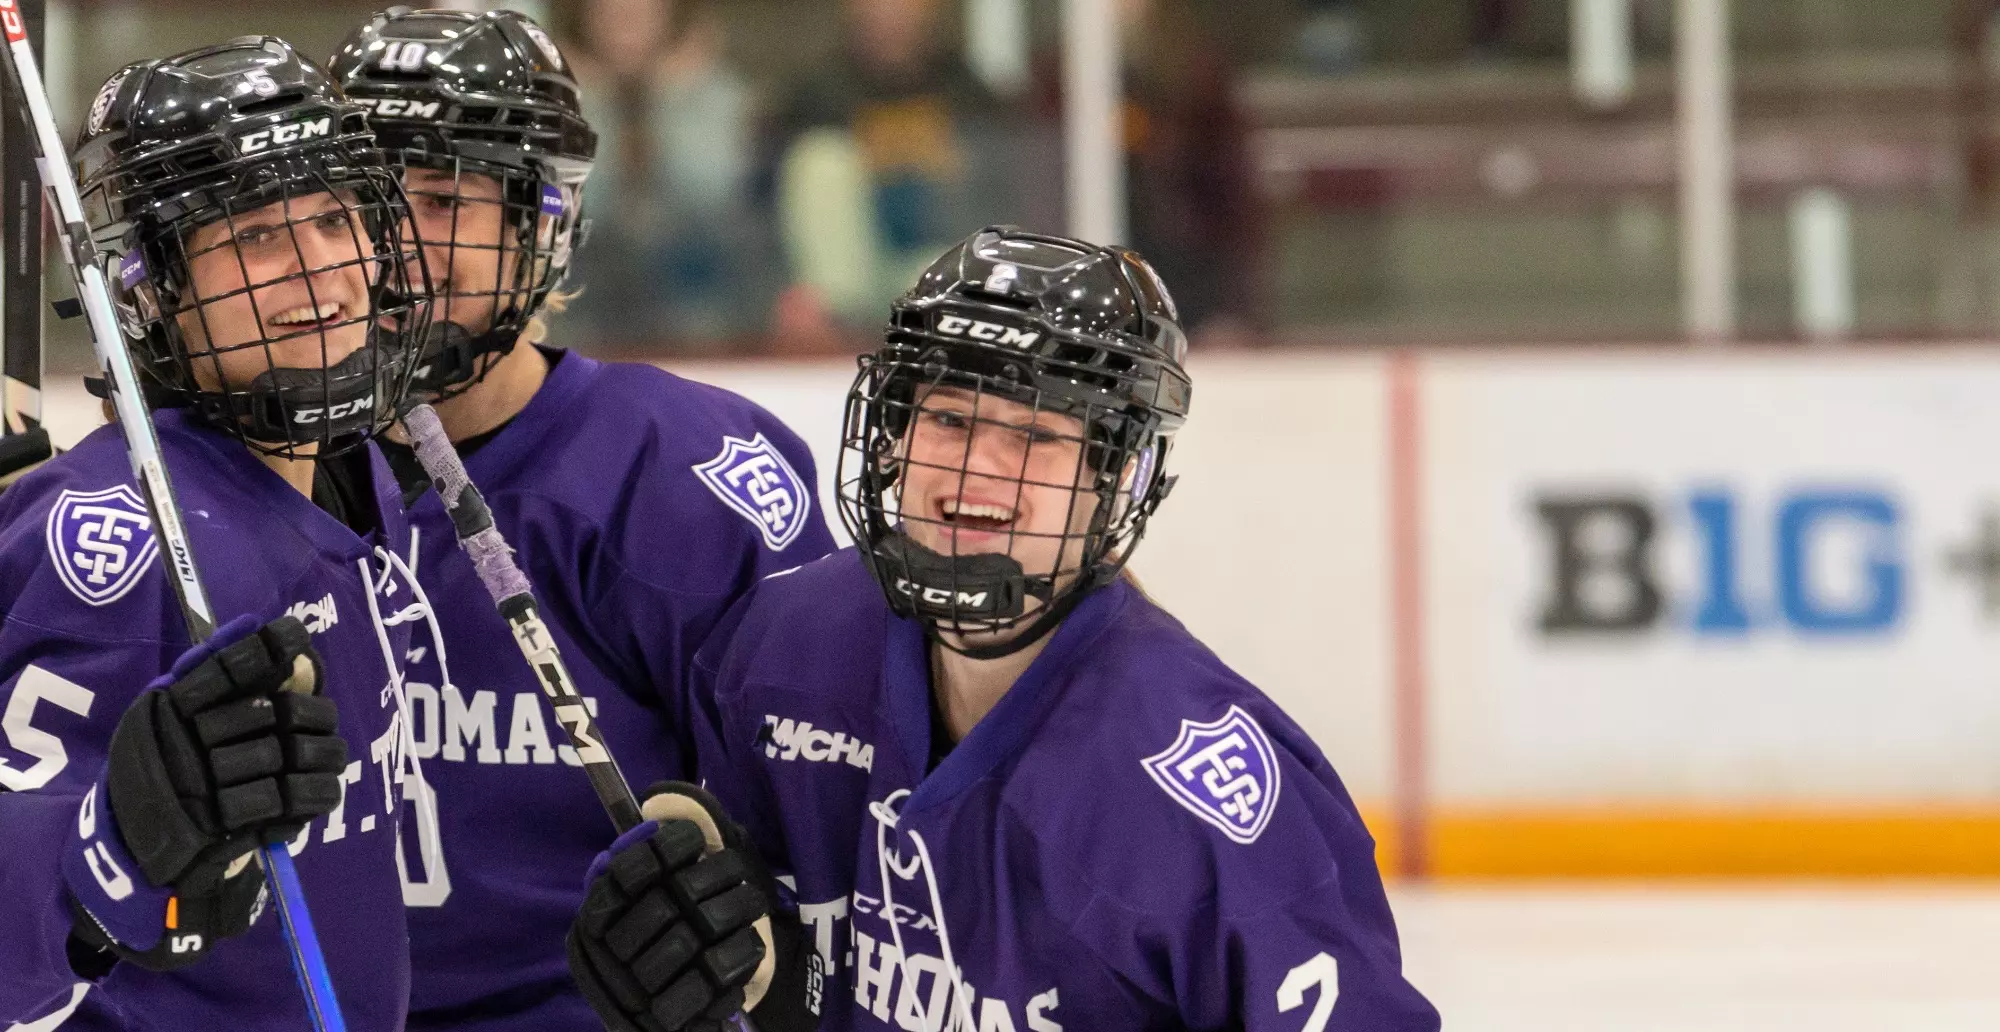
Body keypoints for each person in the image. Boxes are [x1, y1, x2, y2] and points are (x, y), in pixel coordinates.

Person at [565, 226, 1441, 1031]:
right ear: (892, 432)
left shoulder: (1205, 799)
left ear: (1118, 482)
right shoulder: (787, 651)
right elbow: (779, 976)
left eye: (1035, 435)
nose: (976, 471)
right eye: (949, 419)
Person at [324, 11, 837, 1032]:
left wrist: (765, 953)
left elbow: (826, 839)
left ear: (539, 224)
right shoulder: (243, 479)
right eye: (363, 200)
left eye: (443, 198)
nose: (398, 244)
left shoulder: (679, 480)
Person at [0, 37, 431, 1032]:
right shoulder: (112, 545)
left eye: (333, 219)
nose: (321, 270)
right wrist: (115, 845)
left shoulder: (359, 478)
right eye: (255, 236)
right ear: (154, 287)